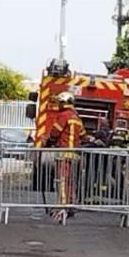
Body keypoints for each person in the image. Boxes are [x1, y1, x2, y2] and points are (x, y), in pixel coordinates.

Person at [44, 92, 85, 224]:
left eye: (60, 102)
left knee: (62, 181)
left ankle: (63, 206)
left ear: (64, 102)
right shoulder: (77, 117)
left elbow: (55, 132)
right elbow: (83, 134)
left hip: (63, 154)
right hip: (74, 155)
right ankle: (70, 204)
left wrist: (49, 141)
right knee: (70, 182)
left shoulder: (64, 115)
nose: (58, 105)